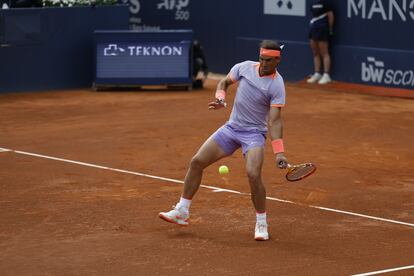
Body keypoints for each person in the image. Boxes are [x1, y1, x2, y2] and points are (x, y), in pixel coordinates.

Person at [159, 40, 289, 241]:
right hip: (231, 128)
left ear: (277, 60)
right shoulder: (245, 67)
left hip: (254, 134)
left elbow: (274, 120)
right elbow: (224, 82)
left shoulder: (277, 84)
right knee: (196, 162)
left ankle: (261, 222)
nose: (263, 64)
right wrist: (220, 98)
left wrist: (279, 152)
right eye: (262, 59)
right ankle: (182, 211)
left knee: (253, 174)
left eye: (268, 61)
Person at [307, 0, 334, 84]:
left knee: (324, 53)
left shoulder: (327, 3)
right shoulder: (313, 3)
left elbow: (330, 15)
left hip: (322, 29)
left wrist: (329, 29)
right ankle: (317, 73)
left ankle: (326, 75)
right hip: (313, 29)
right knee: (315, 53)